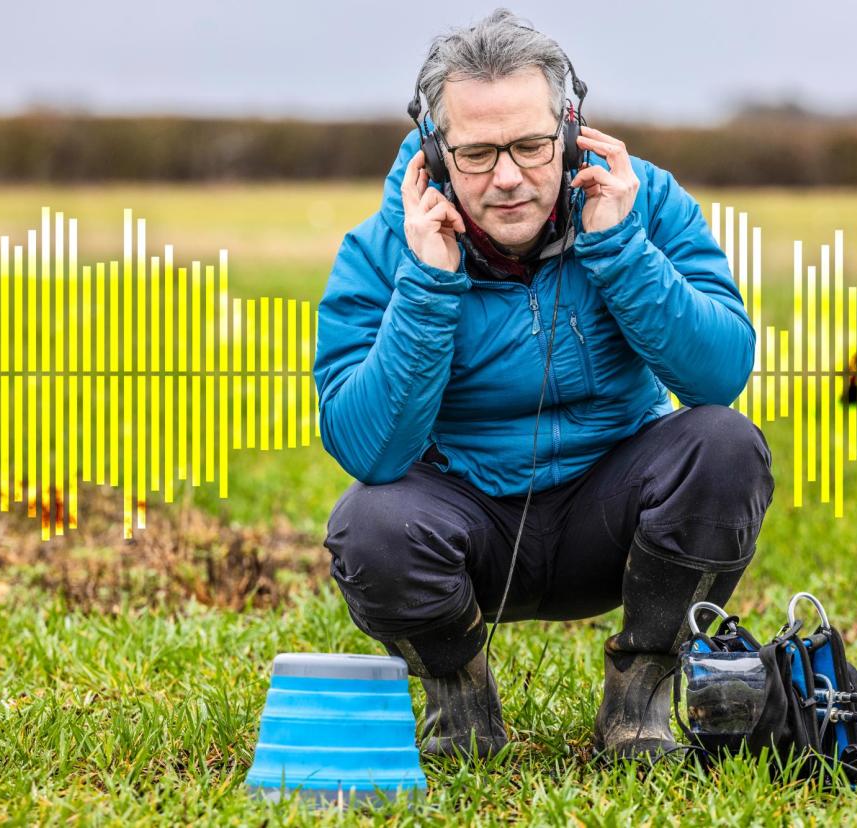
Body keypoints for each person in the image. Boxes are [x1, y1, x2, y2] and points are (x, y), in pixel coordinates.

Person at [314, 8, 774, 761]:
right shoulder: (382, 245)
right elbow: (370, 452)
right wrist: (428, 286)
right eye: (476, 153)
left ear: (569, 130)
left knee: (724, 445)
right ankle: (458, 699)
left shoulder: (643, 203)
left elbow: (716, 376)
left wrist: (619, 248)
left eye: (529, 146)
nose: (507, 177)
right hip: (468, 528)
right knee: (370, 524)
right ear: (434, 150)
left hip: (611, 515)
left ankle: (639, 700)